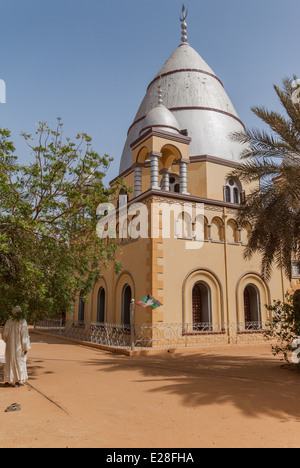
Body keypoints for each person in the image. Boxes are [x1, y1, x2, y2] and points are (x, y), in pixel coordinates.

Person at [2, 306, 31, 387]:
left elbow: (4, 335)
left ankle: (8, 380)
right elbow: (24, 336)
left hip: (10, 347)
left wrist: (8, 341)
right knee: (19, 362)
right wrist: (25, 347)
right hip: (19, 347)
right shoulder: (22, 322)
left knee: (9, 361)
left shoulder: (8, 321)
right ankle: (17, 381)